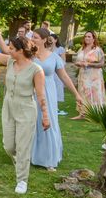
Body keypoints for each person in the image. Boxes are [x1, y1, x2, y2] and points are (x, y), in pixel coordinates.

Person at [0, 24, 49, 194]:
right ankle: (20, 162)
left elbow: (41, 96)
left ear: (21, 50)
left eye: (11, 48)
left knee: (23, 147)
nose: (8, 50)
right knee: (9, 146)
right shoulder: (10, 61)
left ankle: (22, 180)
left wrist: (46, 116)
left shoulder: (36, 70)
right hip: (8, 107)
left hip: (26, 109)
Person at [30, 28, 84, 171]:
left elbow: (64, 77)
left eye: (35, 37)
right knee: (31, 122)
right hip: (31, 92)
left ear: (43, 39)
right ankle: (30, 155)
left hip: (48, 92)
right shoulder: (29, 55)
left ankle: (49, 159)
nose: (32, 39)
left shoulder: (54, 57)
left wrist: (76, 94)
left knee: (48, 122)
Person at [72, 30, 106, 120]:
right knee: (83, 92)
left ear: (94, 38)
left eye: (89, 37)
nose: (86, 38)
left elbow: (102, 64)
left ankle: (96, 114)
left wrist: (89, 64)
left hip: (94, 76)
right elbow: (77, 60)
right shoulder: (81, 49)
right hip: (83, 75)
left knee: (94, 94)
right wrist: (78, 63)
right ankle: (82, 114)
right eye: (85, 36)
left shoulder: (97, 50)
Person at [51, 34, 67, 115]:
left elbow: (63, 62)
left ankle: (56, 108)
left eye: (51, 39)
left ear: (56, 40)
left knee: (57, 88)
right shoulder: (47, 49)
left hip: (57, 72)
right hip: (50, 71)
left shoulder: (60, 49)